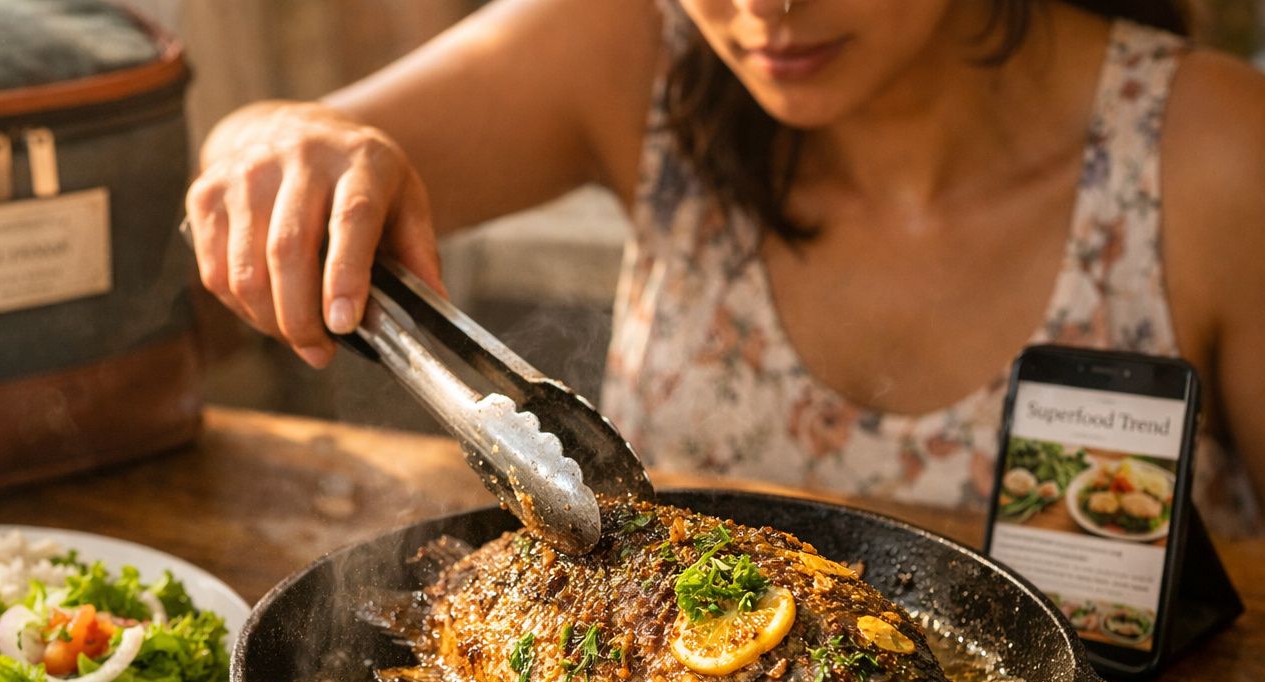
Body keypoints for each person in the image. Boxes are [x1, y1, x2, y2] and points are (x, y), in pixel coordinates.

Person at [185, 0, 1265, 536]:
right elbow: (271, 145)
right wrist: (279, 143)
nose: (767, 6)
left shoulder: (1217, 158)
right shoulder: (631, 45)